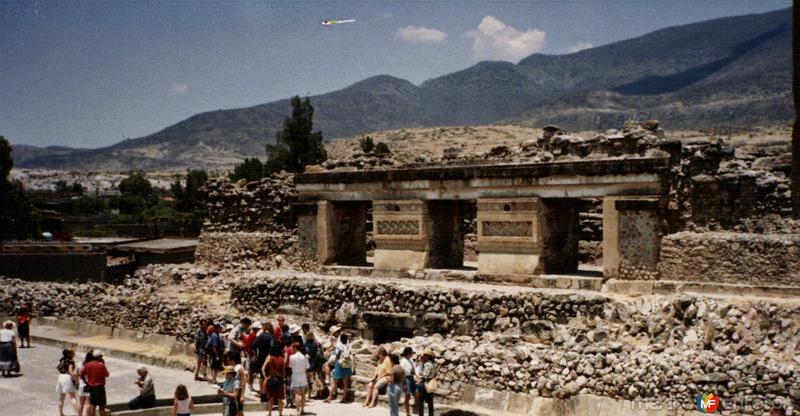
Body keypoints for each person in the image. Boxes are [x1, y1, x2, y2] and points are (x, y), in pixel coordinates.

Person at [325, 332, 354, 403]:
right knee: (345, 382)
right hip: (347, 365)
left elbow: (336, 356)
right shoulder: (348, 346)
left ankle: (330, 397)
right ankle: (344, 398)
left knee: (335, 381)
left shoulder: (339, 346)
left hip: (340, 364)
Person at [82, 349, 110, 416]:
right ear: (99, 357)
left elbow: (82, 374)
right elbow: (107, 375)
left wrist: (86, 382)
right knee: (102, 407)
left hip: (92, 388)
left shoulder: (88, 364)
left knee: (93, 405)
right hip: (100, 387)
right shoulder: (101, 365)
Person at [261, 345, 286, 416]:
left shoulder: (270, 358)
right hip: (279, 380)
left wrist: (266, 378)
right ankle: (280, 413)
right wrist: (282, 377)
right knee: (280, 399)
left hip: (271, 379)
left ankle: (269, 413)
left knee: (270, 398)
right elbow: (284, 373)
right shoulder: (282, 359)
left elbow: (262, 369)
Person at [252, 322, 274, 397]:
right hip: (268, 358)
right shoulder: (271, 337)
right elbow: (272, 346)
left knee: (261, 376)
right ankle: (268, 393)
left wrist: (255, 355)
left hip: (260, 358)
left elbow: (253, 346)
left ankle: (262, 392)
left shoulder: (260, 336)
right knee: (269, 376)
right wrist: (270, 355)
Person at [288, 341, 310, 416]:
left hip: (295, 375)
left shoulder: (291, 357)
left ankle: (298, 411)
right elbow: (307, 367)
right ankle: (303, 410)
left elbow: (290, 366)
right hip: (303, 374)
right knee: (303, 394)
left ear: (295, 347)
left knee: (297, 394)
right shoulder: (304, 356)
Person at [56, 349, 79, 416]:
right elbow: (70, 371)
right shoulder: (70, 361)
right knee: (72, 396)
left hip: (61, 377)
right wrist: (76, 378)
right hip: (67, 377)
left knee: (62, 396)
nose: (74, 353)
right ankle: (77, 413)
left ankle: (61, 413)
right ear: (69, 354)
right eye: (73, 353)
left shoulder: (61, 359)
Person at [414, 350, 436, 416]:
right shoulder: (433, 364)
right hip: (431, 383)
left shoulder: (427, 364)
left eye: (425, 355)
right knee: (430, 402)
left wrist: (419, 379)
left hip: (424, 384)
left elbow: (425, 376)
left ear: (428, 356)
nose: (423, 357)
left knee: (421, 401)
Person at [303, 331, 324, 398]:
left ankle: (309, 394)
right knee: (317, 377)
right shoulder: (315, 344)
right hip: (316, 363)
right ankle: (320, 394)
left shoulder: (306, 344)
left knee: (309, 379)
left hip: (309, 363)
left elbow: (307, 353)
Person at [243, 321, 260, 393]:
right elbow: (252, 346)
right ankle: (250, 386)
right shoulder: (253, 335)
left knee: (251, 370)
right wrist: (254, 355)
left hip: (251, 354)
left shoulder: (252, 334)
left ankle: (250, 386)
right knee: (251, 370)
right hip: (252, 354)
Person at [76, 351, 94, 416]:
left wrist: (77, 382)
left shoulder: (80, 364)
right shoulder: (91, 365)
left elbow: (77, 374)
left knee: (81, 403)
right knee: (88, 403)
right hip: (89, 384)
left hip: (81, 384)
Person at [400, 347, 416, 416]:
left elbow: (413, 369)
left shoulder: (411, 360)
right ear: (407, 353)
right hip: (406, 378)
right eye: (411, 353)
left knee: (415, 394)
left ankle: (412, 407)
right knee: (407, 395)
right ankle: (407, 412)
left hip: (411, 377)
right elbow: (402, 373)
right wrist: (403, 384)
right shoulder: (403, 361)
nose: (412, 354)